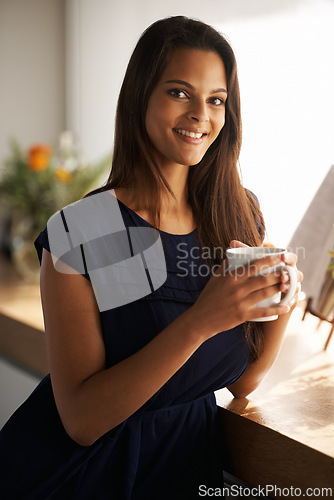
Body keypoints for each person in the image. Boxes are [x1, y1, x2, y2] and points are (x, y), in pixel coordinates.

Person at [0, 16, 303, 500]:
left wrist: (281, 300)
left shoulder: (236, 215)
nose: (200, 115)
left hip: (183, 467)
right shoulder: (83, 230)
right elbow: (81, 420)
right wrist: (204, 318)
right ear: (141, 95)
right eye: (179, 93)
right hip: (77, 477)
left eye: (216, 100)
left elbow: (244, 382)